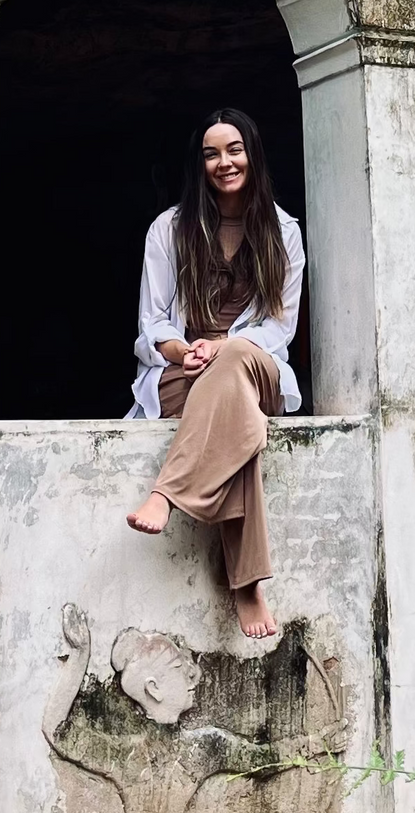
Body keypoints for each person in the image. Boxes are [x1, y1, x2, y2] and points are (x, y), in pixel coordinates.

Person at [125, 109, 304, 638]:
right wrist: (182, 353)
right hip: (186, 371)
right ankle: (247, 583)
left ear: (253, 155)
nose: (224, 162)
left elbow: (279, 328)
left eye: (234, 150)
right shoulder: (169, 229)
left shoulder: (284, 232)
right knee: (236, 417)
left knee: (234, 371)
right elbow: (150, 322)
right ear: (199, 163)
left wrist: (227, 346)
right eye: (211, 153)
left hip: (256, 363)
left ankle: (168, 492)